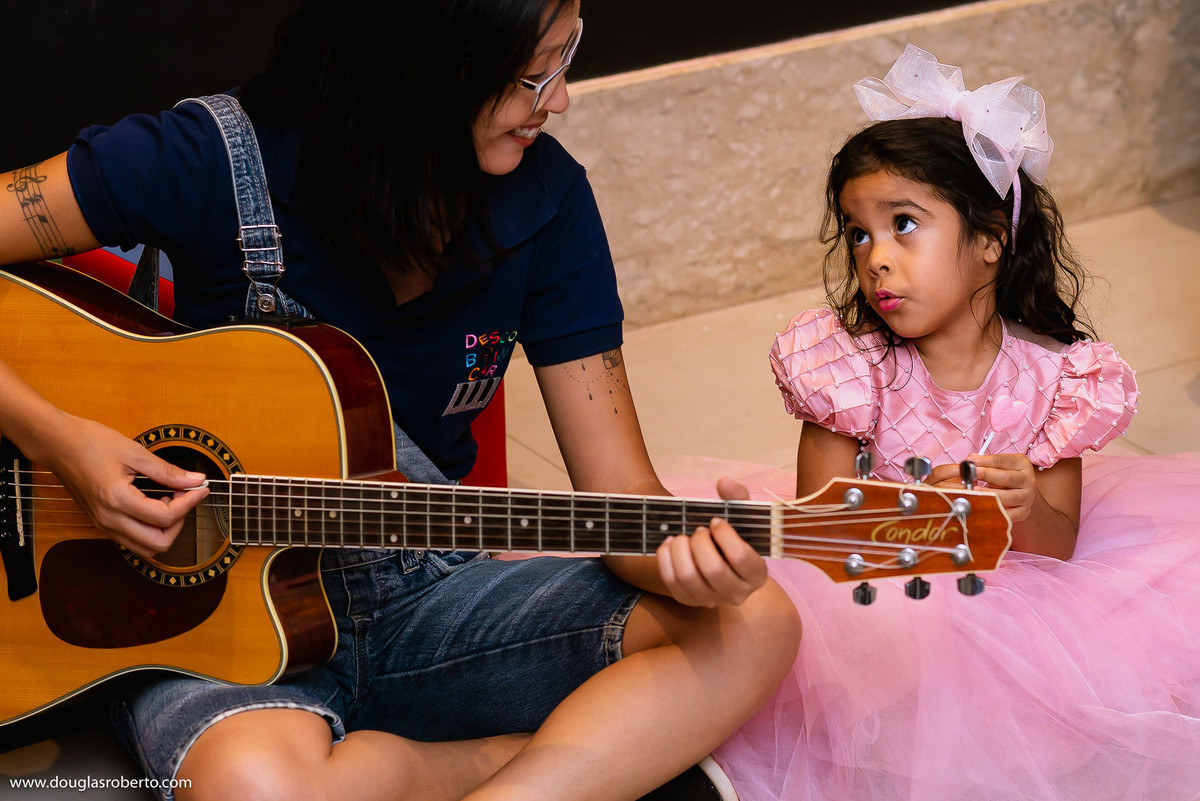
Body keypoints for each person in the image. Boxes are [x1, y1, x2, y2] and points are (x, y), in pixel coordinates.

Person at [0, 2, 801, 799]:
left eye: (566, 58)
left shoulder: (547, 202)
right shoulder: (205, 156)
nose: (558, 100)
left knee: (754, 623)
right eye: (532, 76)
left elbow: (621, 490)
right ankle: (521, 760)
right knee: (258, 787)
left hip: (431, 593)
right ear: (422, 67)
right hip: (212, 629)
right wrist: (58, 440)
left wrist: (690, 564)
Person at [698, 45, 1200, 800]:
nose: (876, 258)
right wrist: (910, 521)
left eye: (904, 224)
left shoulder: (1059, 380)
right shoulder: (851, 368)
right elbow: (821, 535)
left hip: (1017, 602)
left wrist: (1025, 507)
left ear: (991, 239)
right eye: (858, 233)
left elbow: (1060, 544)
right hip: (876, 598)